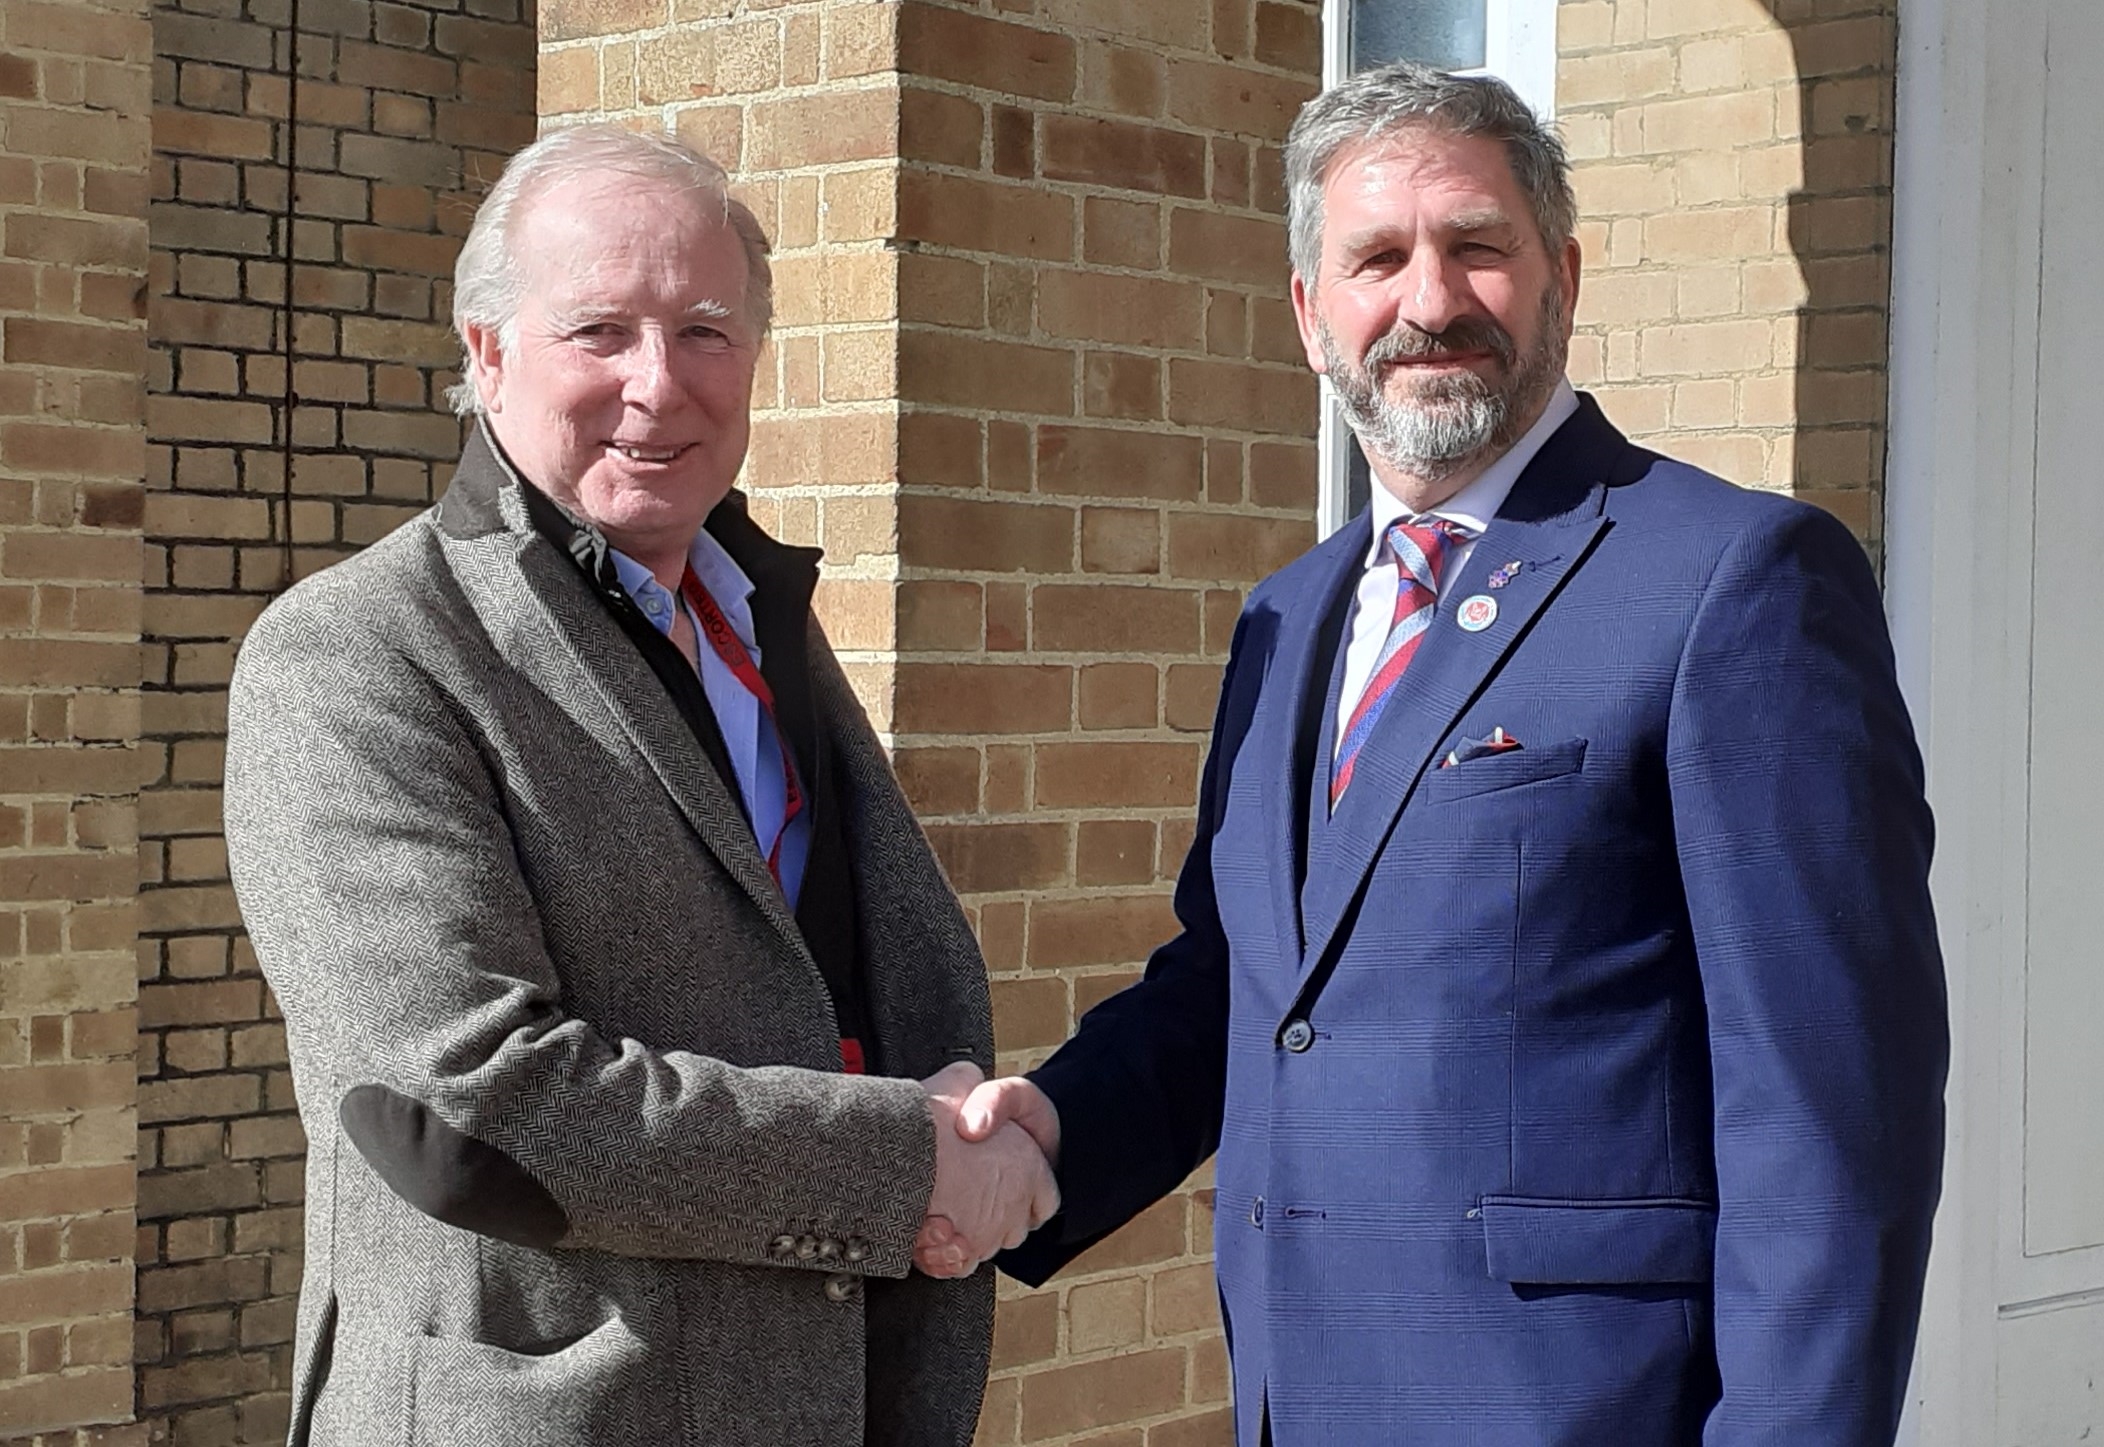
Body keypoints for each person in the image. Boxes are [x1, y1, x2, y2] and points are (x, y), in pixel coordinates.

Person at [924, 61, 1949, 1446]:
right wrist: (1043, 1141)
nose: (1430, 301)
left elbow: (1829, 1115)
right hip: (1302, 1401)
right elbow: (1239, 988)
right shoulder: (1289, 618)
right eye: (1377, 259)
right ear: (1310, 312)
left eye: (1478, 246)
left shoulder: (1734, 580)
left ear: (1562, 277)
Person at [222, 125, 1055, 1447]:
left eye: (707, 331)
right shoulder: (357, 654)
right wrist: (907, 1163)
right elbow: (462, 1105)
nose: (660, 385)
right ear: (488, 354)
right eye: (599, 330)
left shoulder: (747, 611)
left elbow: (827, 969)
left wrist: (975, 1115)